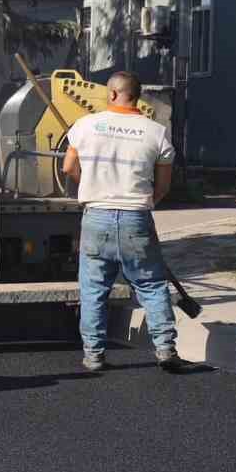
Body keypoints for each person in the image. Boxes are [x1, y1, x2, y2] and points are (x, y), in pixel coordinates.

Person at [61, 70, 188, 374]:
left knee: (94, 289)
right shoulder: (155, 132)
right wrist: (145, 204)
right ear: (138, 95)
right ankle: (166, 349)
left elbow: (68, 167)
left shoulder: (85, 126)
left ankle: (93, 355)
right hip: (136, 218)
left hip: (97, 217)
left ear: (113, 94)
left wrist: (89, 186)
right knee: (152, 285)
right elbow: (164, 185)